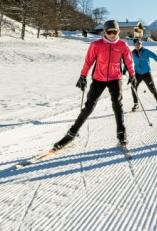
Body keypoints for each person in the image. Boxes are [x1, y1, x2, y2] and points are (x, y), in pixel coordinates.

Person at [53, 19, 136, 150]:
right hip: (98, 79)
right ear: (105, 32)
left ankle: (121, 134)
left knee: (117, 105)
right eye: (109, 32)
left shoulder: (122, 45)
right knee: (89, 107)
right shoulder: (96, 45)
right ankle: (71, 134)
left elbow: (129, 61)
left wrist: (132, 74)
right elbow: (88, 61)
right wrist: (83, 76)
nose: (112, 35)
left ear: (118, 31)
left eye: (115, 32)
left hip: (115, 78)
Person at [128, 38, 157, 111]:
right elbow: (128, 62)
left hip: (146, 73)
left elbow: (154, 55)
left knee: (152, 88)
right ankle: (136, 104)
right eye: (135, 44)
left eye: (138, 44)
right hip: (137, 74)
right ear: (134, 45)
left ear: (141, 44)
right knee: (133, 88)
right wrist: (124, 69)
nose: (137, 46)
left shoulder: (146, 51)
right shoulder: (132, 53)